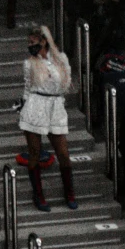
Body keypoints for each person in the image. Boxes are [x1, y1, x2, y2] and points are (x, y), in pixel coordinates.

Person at [19, 24, 77, 212]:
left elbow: (66, 84)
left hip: (55, 106)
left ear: (44, 41)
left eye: (33, 42)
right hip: (35, 105)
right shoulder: (29, 63)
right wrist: (24, 107)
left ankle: (69, 193)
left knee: (63, 154)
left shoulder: (61, 59)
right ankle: (39, 195)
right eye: (28, 42)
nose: (30, 45)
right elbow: (28, 87)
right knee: (34, 152)